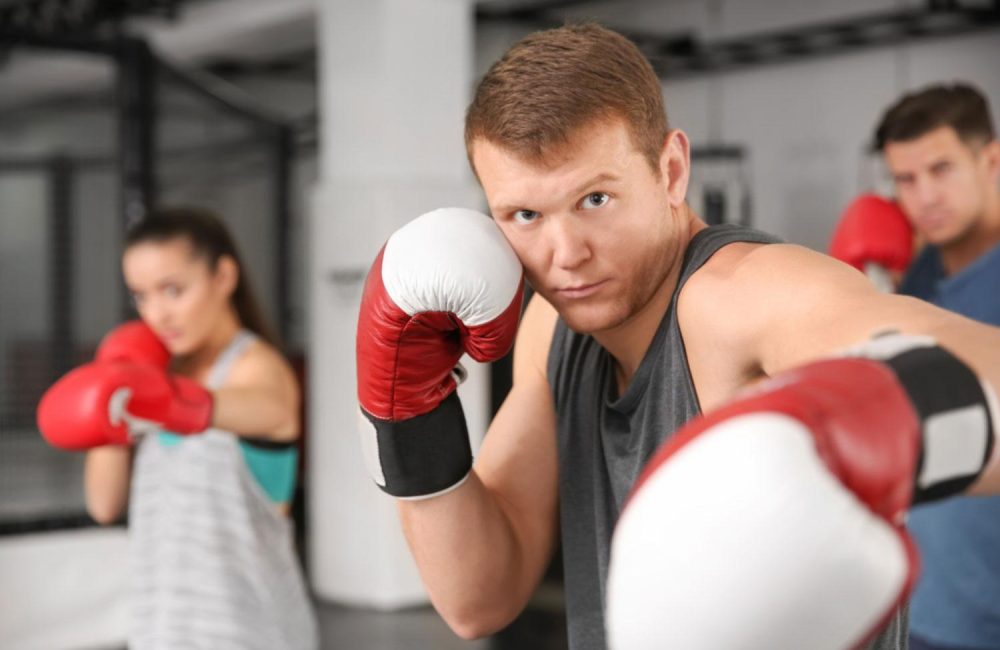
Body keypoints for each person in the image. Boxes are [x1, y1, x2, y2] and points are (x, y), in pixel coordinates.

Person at [353, 23, 1000, 650]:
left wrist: (869, 422)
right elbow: (477, 599)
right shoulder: (550, 329)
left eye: (595, 200)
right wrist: (408, 417)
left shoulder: (741, 296)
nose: (565, 254)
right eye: (525, 215)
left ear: (670, 171)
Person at [37, 207, 318, 650]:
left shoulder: (258, 369)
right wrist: (114, 394)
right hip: (161, 629)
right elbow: (104, 505)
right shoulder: (152, 374)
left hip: (248, 632)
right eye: (141, 296)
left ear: (224, 276)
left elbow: (267, 409)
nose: (157, 314)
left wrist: (163, 398)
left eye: (173, 290)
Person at [876, 83, 1000, 650]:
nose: (924, 195)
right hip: (914, 609)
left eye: (941, 169)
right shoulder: (915, 277)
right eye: (905, 179)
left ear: (991, 160)